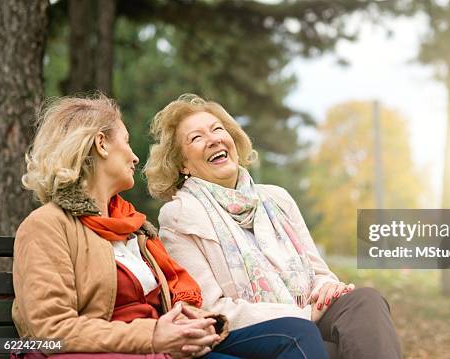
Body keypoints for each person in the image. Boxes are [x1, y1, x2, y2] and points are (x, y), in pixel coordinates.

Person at [13, 94, 328, 359]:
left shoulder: (134, 229)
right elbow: (48, 331)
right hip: (120, 351)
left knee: (295, 333)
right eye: (126, 141)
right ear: (101, 144)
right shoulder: (46, 226)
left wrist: (198, 324)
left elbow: (176, 300)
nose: (136, 157)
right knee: (296, 333)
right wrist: (152, 334)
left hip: (164, 350)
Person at [144, 94, 402, 359]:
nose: (213, 139)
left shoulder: (277, 198)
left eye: (218, 129)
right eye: (196, 138)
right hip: (254, 333)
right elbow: (211, 308)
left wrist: (328, 287)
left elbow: (318, 271)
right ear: (182, 164)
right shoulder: (180, 216)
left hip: (309, 313)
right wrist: (299, 314)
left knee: (365, 301)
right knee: (321, 347)